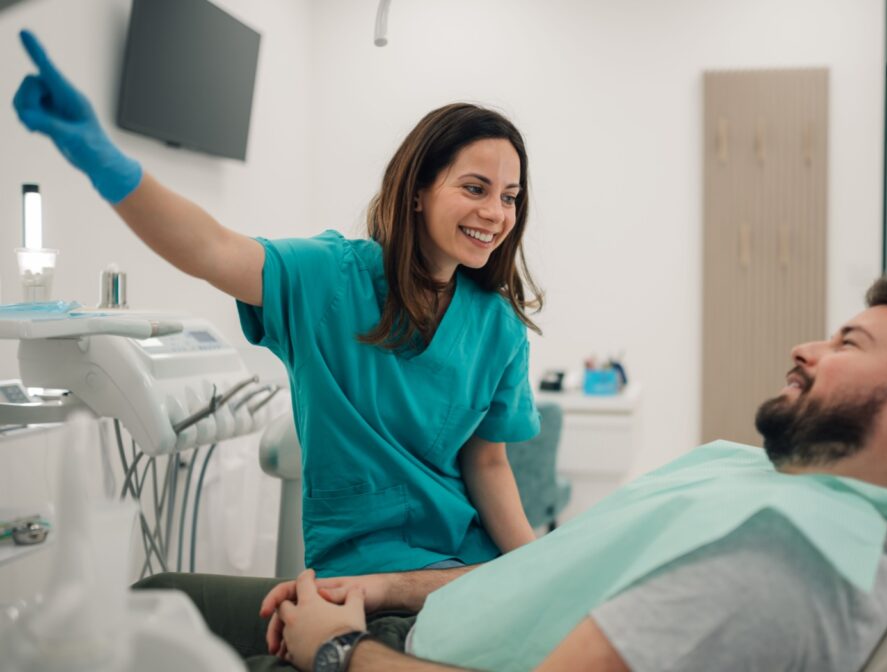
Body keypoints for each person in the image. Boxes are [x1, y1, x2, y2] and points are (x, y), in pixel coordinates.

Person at [138, 278, 887, 671]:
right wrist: (385, 588)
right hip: (407, 628)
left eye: (848, 344)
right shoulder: (770, 486)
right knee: (154, 592)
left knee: (117, 633)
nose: (806, 348)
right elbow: (558, 569)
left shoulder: (779, 564)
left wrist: (336, 652)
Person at [13, 31, 545, 576]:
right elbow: (211, 248)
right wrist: (104, 162)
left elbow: (487, 461)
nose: (496, 213)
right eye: (475, 188)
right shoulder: (330, 280)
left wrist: (533, 569)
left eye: (509, 197)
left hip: (464, 563)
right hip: (361, 573)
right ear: (418, 191)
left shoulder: (498, 326)